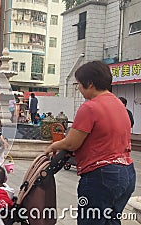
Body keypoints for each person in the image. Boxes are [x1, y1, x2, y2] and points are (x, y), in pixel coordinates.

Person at [45, 61, 135, 225]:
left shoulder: (90, 107)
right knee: (111, 221)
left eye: (79, 83)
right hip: (126, 173)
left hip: (102, 176)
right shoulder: (118, 104)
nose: (78, 87)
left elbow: (72, 143)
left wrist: (53, 146)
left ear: (90, 83)